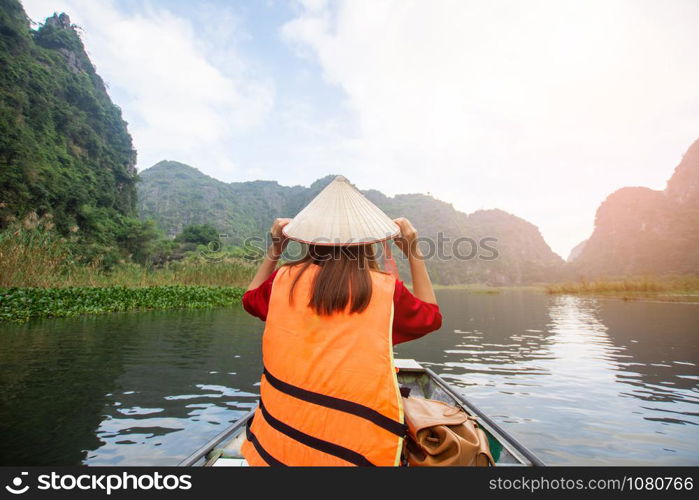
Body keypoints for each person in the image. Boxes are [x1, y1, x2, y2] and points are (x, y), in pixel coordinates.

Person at [240, 176, 442, 466]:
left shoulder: (283, 280)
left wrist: (275, 249)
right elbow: (430, 317)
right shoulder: (383, 289)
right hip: (357, 457)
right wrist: (412, 251)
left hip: (275, 453)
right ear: (366, 242)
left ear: (311, 239)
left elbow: (249, 300)